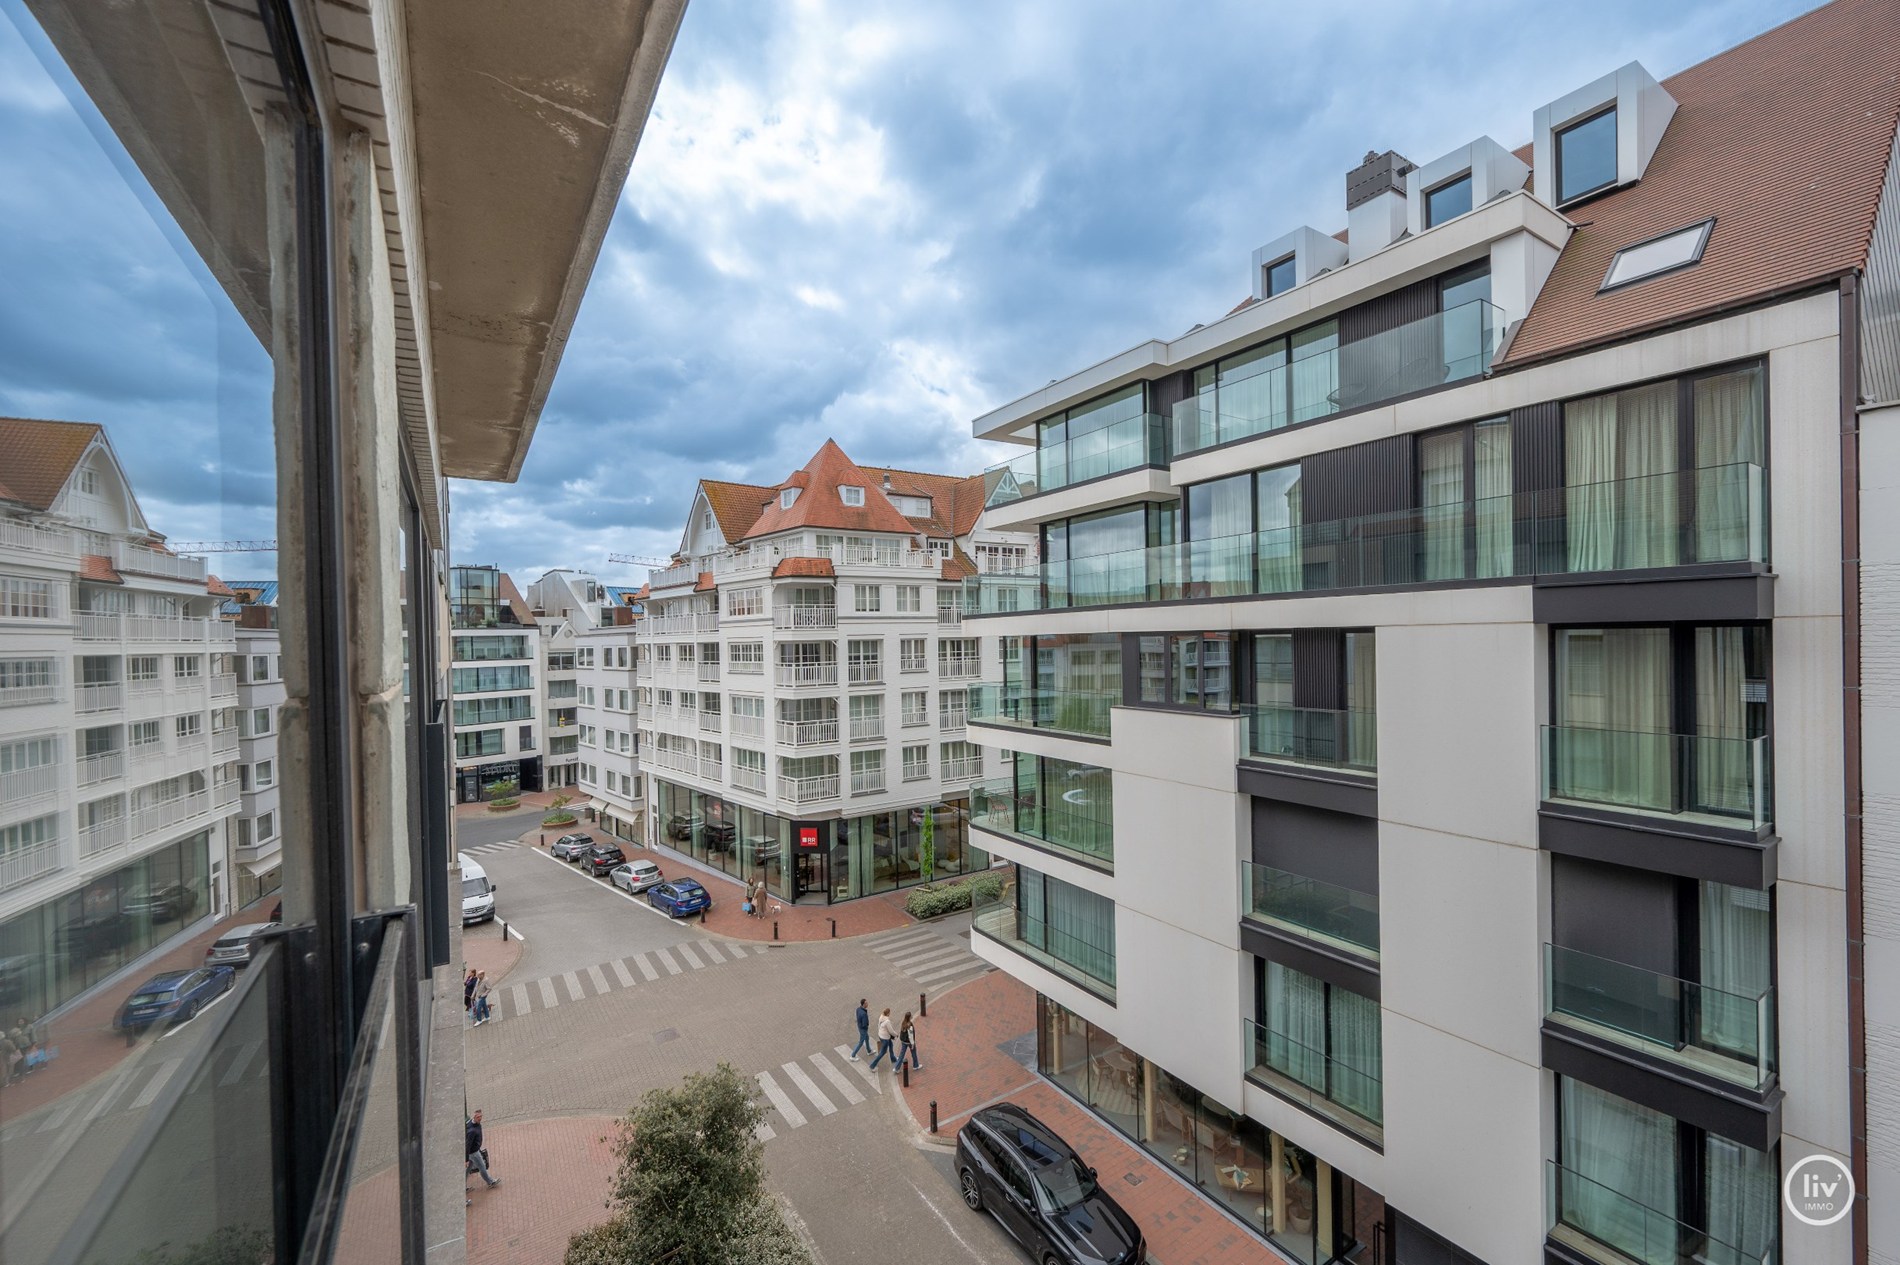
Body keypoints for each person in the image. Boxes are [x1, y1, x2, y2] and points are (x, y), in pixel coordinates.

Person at [466, 1110, 500, 1189]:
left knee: (468, 1169)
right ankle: (490, 1182)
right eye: (478, 1117)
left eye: (481, 1116)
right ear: (474, 1117)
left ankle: (462, 1186)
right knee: (482, 1167)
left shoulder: (472, 1124)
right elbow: (468, 1145)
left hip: (473, 1151)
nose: (480, 1118)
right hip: (474, 1153)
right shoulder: (472, 1131)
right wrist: (466, 1158)